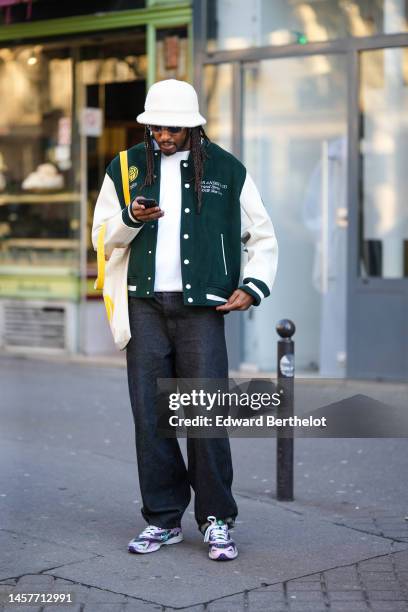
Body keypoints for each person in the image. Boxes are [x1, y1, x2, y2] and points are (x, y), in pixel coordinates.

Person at [92, 79, 278, 562]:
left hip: (202, 309)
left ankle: (217, 518)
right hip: (145, 305)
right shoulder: (127, 167)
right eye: (156, 126)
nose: (164, 135)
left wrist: (252, 286)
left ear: (193, 125)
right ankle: (162, 518)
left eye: (173, 127)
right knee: (151, 418)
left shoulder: (225, 168)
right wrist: (130, 217)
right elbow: (102, 236)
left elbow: (262, 234)